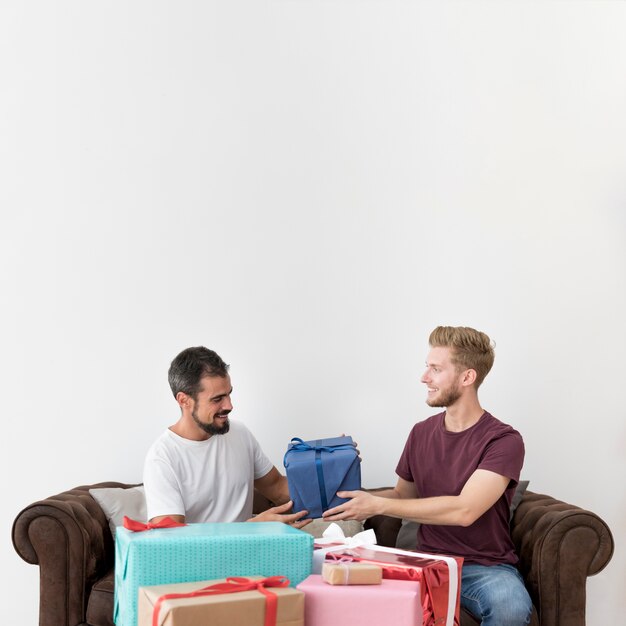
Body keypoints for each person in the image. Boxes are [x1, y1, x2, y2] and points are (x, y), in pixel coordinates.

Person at [323, 326, 533, 626]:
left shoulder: (503, 440)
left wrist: (379, 506)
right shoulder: (421, 433)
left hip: (484, 567)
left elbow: (465, 510)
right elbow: (402, 497)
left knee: (510, 608)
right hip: (425, 562)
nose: (424, 377)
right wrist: (344, 472)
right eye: (427, 367)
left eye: (435, 369)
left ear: (467, 377)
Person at [143, 346, 310, 528]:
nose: (229, 405)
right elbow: (170, 542)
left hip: (254, 553)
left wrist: (335, 475)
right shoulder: (162, 458)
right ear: (184, 400)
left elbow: (278, 488)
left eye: (229, 394)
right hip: (205, 557)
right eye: (217, 399)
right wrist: (252, 528)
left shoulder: (240, 433)